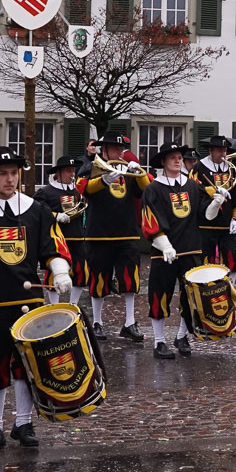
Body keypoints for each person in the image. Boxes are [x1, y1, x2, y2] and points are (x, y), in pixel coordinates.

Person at [0, 147, 72, 451]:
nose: (9, 179)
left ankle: (23, 423)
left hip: (28, 300)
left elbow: (53, 247)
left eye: (13, 173)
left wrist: (59, 272)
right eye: (2, 174)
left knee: (26, 365)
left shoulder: (36, 210)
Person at [140, 143, 221, 358]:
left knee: (191, 297)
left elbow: (206, 216)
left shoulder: (193, 186)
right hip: (164, 252)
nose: (178, 160)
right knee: (160, 296)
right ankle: (159, 342)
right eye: (173, 157)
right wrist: (165, 245)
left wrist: (215, 203)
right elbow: (150, 222)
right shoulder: (153, 189)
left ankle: (182, 335)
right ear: (163, 162)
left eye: (179, 156)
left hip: (191, 249)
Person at [78, 132, 150, 343]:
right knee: (99, 279)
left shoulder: (128, 169)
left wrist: (140, 173)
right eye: (115, 149)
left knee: (130, 278)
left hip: (126, 232)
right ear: (105, 150)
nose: (120, 153)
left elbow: (147, 190)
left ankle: (129, 322)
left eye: (121, 149)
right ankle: (98, 322)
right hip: (99, 234)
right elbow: (81, 188)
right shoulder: (90, 167)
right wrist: (103, 180)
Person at [190, 136, 236, 292]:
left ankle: (229, 294)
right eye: (219, 150)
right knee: (206, 262)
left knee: (232, 261)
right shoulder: (198, 168)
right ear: (211, 151)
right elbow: (193, 191)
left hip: (227, 226)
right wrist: (211, 190)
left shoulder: (231, 169)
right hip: (205, 226)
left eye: (225, 150)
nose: (223, 154)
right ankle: (208, 295)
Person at [34, 156, 88, 307]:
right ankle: (54, 305)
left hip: (77, 237)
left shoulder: (77, 191)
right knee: (53, 273)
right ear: (58, 173)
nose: (72, 174)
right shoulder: (46, 192)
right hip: (57, 239)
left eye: (73, 171)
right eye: (68, 171)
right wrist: (56, 216)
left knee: (80, 272)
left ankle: (73, 305)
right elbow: (38, 212)